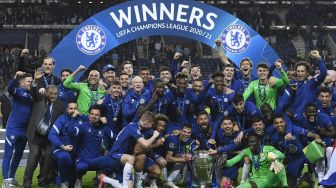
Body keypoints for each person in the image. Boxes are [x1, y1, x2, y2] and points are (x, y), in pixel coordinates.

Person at [100, 111, 161, 188]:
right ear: (147, 122)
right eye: (151, 124)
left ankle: (106, 179)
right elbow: (145, 144)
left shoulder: (139, 128)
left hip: (127, 159)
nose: (152, 126)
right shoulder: (132, 128)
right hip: (116, 156)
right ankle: (107, 179)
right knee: (130, 159)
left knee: (130, 185)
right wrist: (154, 136)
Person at [24, 83, 64, 188]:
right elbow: (33, 91)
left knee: (48, 156)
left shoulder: (60, 105)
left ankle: (42, 180)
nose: (53, 96)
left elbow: (62, 120)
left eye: (55, 94)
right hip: (35, 134)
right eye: (51, 93)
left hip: (49, 137)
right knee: (34, 155)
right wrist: (35, 82)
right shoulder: (39, 98)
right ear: (46, 93)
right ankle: (27, 180)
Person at [69, 105, 116, 188]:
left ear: (100, 116)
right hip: (83, 159)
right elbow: (71, 132)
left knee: (115, 162)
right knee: (80, 167)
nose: (94, 116)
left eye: (96, 115)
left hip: (98, 160)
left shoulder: (103, 127)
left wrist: (106, 124)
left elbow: (114, 138)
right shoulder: (83, 126)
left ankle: (99, 178)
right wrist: (73, 118)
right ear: (89, 115)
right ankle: (78, 179)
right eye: (92, 114)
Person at [271, 114, 322, 187]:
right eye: (276, 123)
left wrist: (317, 138)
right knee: (290, 185)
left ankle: (311, 175)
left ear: (285, 123)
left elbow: (313, 135)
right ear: (274, 125)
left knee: (314, 156)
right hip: (292, 160)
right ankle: (304, 177)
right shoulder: (274, 138)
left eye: (281, 122)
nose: (279, 125)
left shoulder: (294, 129)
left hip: (304, 154)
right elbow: (277, 152)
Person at [2, 71, 33, 188]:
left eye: (31, 81)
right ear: (22, 82)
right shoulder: (17, 91)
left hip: (24, 130)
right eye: (28, 81)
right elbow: (10, 89)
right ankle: (5, 181)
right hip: (13, 128)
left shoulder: (31, 94)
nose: (30, 83)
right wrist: (15, 77)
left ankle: (11, 177)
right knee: (8, 155)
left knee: (18, 155)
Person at [48, 102, 84, 187]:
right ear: (67, 109)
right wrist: (63, 146)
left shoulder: (81, 119)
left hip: (76, 150)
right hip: (61, 149)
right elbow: (51, 135)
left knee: (83, 163)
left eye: (75, 108)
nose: (73, 110)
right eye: (71, 108)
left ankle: (77, 179)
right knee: (64, 156)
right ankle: (63, 181)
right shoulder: (62, 119)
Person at [288, 50, 327, 116]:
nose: (300, 73)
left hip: (308, 118)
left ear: (307, 73)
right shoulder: (291, 84)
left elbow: (323, 73)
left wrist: (318, 57)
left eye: (302, 71)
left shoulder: (312, 83)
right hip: (293, 119)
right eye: (298, 71)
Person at [208, 116, 241, 187]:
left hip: (233, 162)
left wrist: (217, 150)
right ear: (221, 126)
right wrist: (211, 141)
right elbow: (211, 144)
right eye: (225, 124)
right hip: (220, 161)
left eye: (229, 124)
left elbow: (233, 146)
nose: (227, 126)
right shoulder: (219, 133)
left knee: (224, 184)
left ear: (233, 125)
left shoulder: (237, 134)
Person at [164, 123, 198, 188]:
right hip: (161, 162)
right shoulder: (173, 139)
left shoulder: (186, 140)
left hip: (168, 163)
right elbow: (168, 158)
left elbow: (194, 143)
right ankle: (168, 181)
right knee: (184, 160)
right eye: (184, 131)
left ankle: (169, 181)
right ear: (180, 131)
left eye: (188, 132)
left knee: (185, 157)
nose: (186, 134)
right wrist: (184, 159)